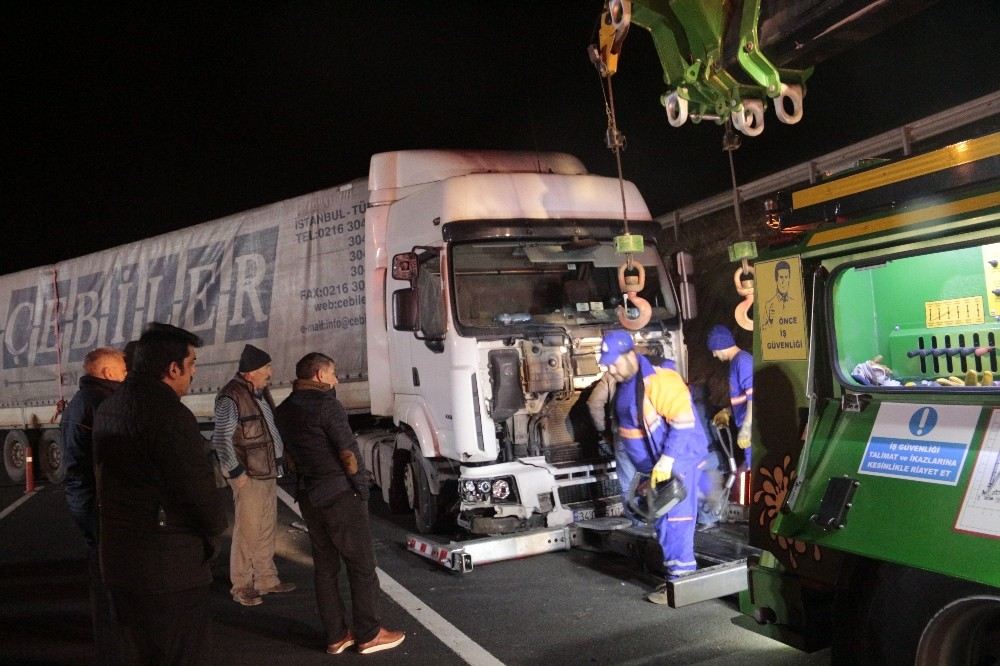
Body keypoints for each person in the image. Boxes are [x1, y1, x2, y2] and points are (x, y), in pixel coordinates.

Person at [93, 323, 227, 664]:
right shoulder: (169, 415)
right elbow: (199, 497)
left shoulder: (110, 406)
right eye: (192, 363)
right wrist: (213, 537)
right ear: (173, 368)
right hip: (168, 569)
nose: (194, 373)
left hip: (122, 564)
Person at [275, 352, 405, 655]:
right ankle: (370, 634)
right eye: (333, 373)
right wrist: (361, 490)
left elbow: (291, 455)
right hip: (339, 494)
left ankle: (336, 636)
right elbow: (348, 453)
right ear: (320, 375)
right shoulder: (327, 406)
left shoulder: (283, 411)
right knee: (361, 566)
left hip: (309, 495)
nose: (336, 379)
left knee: (325, 568)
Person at [599, 330, 709, 604]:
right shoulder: (630, 382)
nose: (611, 369)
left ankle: (680, 586)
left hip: (677, 459)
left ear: (630, 354)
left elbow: (683, 423)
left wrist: (668, 459)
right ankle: (677, 580)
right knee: (664, 520)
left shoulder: (660, 380)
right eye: (607, 363)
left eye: (614, 362)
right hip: (658, 464)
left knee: (675, 521)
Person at [212, 344, 295, 606]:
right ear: (250, 373)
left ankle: (267, 579)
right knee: (248, 531)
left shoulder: (259, 393)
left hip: (265, 470)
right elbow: (221, 438)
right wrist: (235, 472)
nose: (270, 372)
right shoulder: (232, 397)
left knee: (265, 528)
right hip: (248, 473)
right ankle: (242, 585)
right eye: (266, 368)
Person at [61, 346, 127, 662]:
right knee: (110, 568)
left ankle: (109, 636)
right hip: (95, 497)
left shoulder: (82, 401)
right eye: (122, 369)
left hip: (82, 494)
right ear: (106, 372)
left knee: (101, 565)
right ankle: (115, 639)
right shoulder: (100, 402)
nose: (127, 374)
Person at [707, 324, 754, 469]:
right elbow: (742, 398)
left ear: (720, 345)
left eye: (714, 351)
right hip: (746, 427)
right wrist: (728, 411)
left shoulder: (743, 361)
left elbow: (754, 396)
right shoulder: (736, 362)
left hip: (752, 429)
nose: (714, 355)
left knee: (751, 471)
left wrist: (747, 426)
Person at [762, 260, 793, 329]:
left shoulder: (795, 302)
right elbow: (763, 329)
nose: (783, 282)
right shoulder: (768, 305)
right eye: (781, 277)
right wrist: (770, 320)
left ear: (789, 279)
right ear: (776, 279)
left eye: (786, 277)